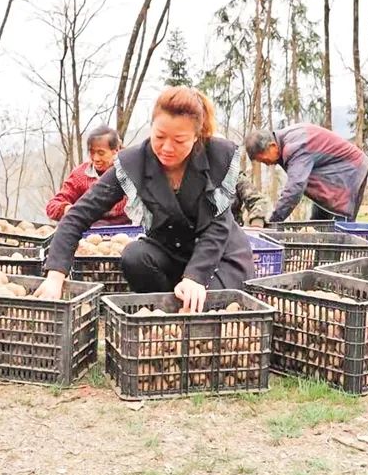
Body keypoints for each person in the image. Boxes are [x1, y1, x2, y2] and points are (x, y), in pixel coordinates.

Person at [36, 87, 254, 311]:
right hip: (172, 250)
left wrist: (195, 277)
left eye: (179, 140)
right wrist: (55, 276)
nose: (167, 148)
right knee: (135, 257)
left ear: (196, 136)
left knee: (210, 308)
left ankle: (189, 302)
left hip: (219, 254)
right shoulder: (134, 163)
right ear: (151, 128)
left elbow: (218, 226)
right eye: (159, 137)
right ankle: (165, 310)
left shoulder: (217, 156)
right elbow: (78, 215)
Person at [244, 124, 368, 223]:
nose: (267, 164)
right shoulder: (284, 142)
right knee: (317, 223)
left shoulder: (295, 147)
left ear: (272, 146)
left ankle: (335, 253)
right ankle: (320, 254)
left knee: (339, 225)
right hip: (329, 178)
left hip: (349, 172)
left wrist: (273, 221)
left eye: (264, 160)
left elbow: (295, 188)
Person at [46, 126, 130, 227]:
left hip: (126, 231)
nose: (96, 158)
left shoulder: (130, 170)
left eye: (101, 153)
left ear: (115, 151)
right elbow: (53, 206)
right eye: (92, 152)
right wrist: (69, 210)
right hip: (89, 233)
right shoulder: (80, 175)